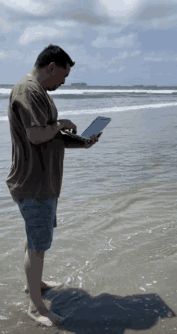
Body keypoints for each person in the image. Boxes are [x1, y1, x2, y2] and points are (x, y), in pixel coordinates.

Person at [6, 44, 100, 328]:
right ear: (51, 67)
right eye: (63, 76)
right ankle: (36, 307)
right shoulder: (29, 91)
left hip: (40, 181)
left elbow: (47, 136)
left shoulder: (39, 91)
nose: (63, 82)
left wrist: (81, 142)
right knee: (37, 247)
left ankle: (36, 284)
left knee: (34, 240)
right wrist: (60, 124)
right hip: (34, 183)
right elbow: (36, 135)